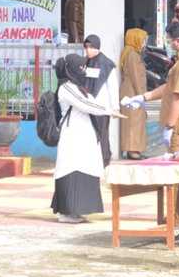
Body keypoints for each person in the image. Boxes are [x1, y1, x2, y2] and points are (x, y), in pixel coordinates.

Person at [123, 22, 179, 245]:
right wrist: (143, 98)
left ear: (177, 40)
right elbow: (169, 87)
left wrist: (168, 126)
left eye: (169, 40)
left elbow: (178, 97)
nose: (167, 44)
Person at [52, 54, 124, 223]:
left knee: (84, 169)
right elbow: (86, 105)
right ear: (72, 70)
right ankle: (67, 212)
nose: (83, 70)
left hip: (83, 136)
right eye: (81, 67)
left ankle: (77, 210)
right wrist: (110, 110)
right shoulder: (67, 88)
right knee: (71, 170)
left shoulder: (79, 87)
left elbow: (90, 100)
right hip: (73, 136)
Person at [83, 34, 118, 166]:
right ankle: (93, 160)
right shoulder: (85, 62)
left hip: (103, 107)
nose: (88, 50)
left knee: (102, 134)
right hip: (89, 105)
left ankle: (105, 159)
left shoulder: (107, 64)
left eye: (90, 47)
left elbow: (113, 87)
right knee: (90, 134)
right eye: (86, 47)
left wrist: (115, 107)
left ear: (97, 47)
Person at [119, 29, 148, 160]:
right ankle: (133, 150)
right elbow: (136, 78)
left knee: (133, 122)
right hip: (133, 93)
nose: (144, 43)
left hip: (130, 92)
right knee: (134, 123)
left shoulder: (129, 53)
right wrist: (141, 96)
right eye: (142, 40)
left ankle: (134, 149)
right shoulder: (133, 55)